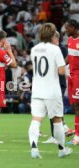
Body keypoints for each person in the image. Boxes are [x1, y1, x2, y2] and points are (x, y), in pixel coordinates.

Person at [28, 23, 72, 158]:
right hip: (52, 90)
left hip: (37, 90)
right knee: (57, 120)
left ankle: (34, 147)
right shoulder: (55, 49)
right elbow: (61, 71)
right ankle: (61, 149)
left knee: (36, 119)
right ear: (53, 35)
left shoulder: (34, 49)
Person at [43, 31, 75, 144]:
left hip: (57, 82)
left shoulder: (60, 49)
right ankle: (63, 128)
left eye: (50, 37)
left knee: (53, 108)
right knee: (52, 107)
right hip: (52, 82)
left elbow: (59, 66)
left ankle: (56, 135)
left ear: (55, 38)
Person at [65, 19, 79, 145]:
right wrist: (60, 65)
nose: (65, 30)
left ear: (74, 27)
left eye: (67, 27)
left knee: (78, 107)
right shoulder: (70, 40)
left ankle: (77, 137)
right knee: (74, 106)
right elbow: (70, 57)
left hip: (78, 77)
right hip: (71, 76)